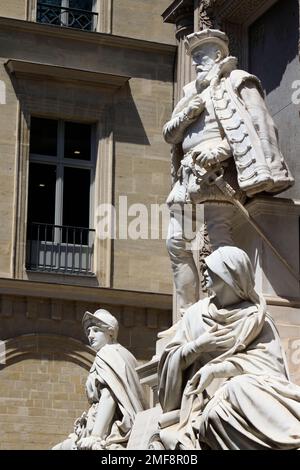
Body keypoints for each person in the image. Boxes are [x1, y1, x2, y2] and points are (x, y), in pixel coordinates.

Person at [163, 29, 294, 313]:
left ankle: (228, 304)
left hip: (219, 172)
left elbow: (258, 124)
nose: (196, 61)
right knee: (176, 242)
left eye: (201, 55)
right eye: (193, 56)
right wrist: (187, 115)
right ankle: (187, 313)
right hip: (187, 174)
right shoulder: (189, 94)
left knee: (218, 237)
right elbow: (170, 135)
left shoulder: (237, 80)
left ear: (219, 55)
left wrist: (221, 149)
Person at [157, 246, 300, 450]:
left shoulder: (257, 319)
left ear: (228, 274)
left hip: (245, 394)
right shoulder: (195, 314)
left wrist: (215, 369)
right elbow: (170, 359)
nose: (203, 272)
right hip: (202, 399)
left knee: (237, 388)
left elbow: (269, 370)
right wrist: (197, 347)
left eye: (211, 268)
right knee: (216, 411)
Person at [52, 309, 145, 450]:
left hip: (107, 427)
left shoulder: (107, 354)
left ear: (110, 332)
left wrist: (96, 436)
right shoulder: (125, 354)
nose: (90, 335)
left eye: (96, 330)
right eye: (88, 331)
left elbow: (109, 396)